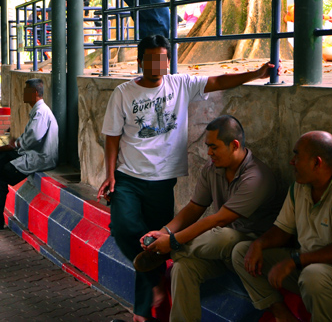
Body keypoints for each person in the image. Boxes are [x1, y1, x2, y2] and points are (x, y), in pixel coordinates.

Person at [97, 35, 279, 322]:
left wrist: (255, 74)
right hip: (128, 175)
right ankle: (156, 277)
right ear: (141, 61)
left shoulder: (180, 84)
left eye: (163, 59)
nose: (158, 65)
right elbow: (112, 137)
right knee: (123, 227)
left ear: (168, 60)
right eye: (152, 59)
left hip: (164, 179)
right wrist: (110, 175)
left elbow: (218, 82)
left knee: (150, 240)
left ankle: (142, 311)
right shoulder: (123, 93)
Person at [137, 115, 285, 322]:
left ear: (234, 145)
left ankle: (171, 251)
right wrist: (164, 232)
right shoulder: (212, 168)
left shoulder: (257, 176)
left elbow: (219, 220)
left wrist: (172, 242)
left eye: (214, 147)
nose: (208, 153)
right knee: (182, 268)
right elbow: (194, 207)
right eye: (208, 146)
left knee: (224, 236)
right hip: (216, 250)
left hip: (250, 251)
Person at [232, 131, 332, 322]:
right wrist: (259, 244)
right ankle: (282, 315)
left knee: (314, 276)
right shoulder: (299, 188)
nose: (292, 161)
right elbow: (282, 230)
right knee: (241, 252)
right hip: (305, 266)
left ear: (316, 162)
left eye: (297, 156)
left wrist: (294, 262)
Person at [0, 78, 59, 230]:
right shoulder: (38, 110)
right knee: (1, 158)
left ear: (34, 93)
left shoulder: (40, 112)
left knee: (0, 176)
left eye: (26, 91)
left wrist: (12, 145)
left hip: (39, 158)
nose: (23, 94)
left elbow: (33, 137)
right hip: (31, 153)